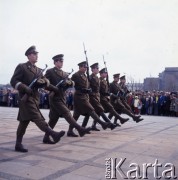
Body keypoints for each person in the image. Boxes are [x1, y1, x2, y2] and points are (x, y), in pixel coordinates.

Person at [10, 46, 65, 152]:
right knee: (38, 117)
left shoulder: (38, 70)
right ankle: (53, 134)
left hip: (34, 98)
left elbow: (46, 82)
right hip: (25, 98)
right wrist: (25, 87)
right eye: (34, 54)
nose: (36, 56)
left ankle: (18, 144)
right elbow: (13, 81)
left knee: (24, 121)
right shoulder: (22, 67)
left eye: (37, 54)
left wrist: (54, 88)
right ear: (29, 55)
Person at [42, 54, 91, 143]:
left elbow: (72, 82)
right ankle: (80, 129)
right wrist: (53, 88)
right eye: (60, 61)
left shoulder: (64, 73)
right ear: (55, 62)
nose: (62, 62)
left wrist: (69, 83)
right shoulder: (50, 71)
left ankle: (46, 137)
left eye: (62, 61)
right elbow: (44, 83)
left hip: (62, 97)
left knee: (53, 118)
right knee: (67, 112)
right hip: (54, 97)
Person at [67, 61, 110, 137]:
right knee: (91, 110)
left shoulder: (85, 75)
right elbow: (71, 83)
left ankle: (70, 131)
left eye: (86, 67)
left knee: (76, 115)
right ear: (80, 67)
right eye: (84, 67)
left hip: (84, 96)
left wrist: (88, 89)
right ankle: (102, 123)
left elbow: (88, 85)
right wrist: (81, 89)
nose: (86, 68)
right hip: (79, 96)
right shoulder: (76, 75)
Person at [81, 63, 118, 131]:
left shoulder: (96, 78)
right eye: (97, 68)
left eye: (98, 68)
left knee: (91, 113)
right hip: (91, 97)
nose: (98, 70)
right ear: (92, 69)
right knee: (100, 110)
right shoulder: (90, 77)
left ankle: (89, 126)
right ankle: (109, 124)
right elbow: (87, 87)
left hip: (96, 97)